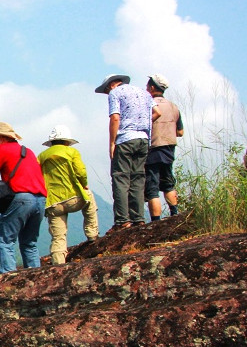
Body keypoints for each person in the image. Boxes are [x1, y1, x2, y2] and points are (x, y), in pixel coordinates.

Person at [96, 73, 158, 229]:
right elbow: (157, 112)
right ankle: (139, 218)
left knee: (120, 178)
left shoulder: (116, 93)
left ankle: (123, 220)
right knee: (138, 178)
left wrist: (112, 142)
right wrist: (141, 123)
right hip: (143, 139)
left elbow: (115, 118)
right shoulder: (144, 93)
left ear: (111, 85)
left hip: (125, 139)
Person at [0, 121, 47, 272]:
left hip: (23, 198)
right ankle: (35, 276)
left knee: (5, 240)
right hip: (41, 199)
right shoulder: (27, 151)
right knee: (29, 242)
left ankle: (8, 276)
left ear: (2, 138)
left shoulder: (3, 149)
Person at [37, 125, 98, 265]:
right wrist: (84, 184)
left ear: (51, 142)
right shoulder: (72, 152)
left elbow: (37, 176)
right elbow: (81, 172)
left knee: (58, 236)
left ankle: (58, 264)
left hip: (52, 203)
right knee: (89, 198)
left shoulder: (41, 156)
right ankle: (92, 234)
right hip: (73, 198)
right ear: (66, 141)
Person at [144, 74, 185, 220]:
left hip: (153, 148)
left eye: (147, 86)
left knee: (152, 186)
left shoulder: (148, 104)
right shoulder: (174, 106)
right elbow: (180, 132)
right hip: (169, 149)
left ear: (152, 87)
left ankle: (155, 221)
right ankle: (174, 213)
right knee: (168, 182)